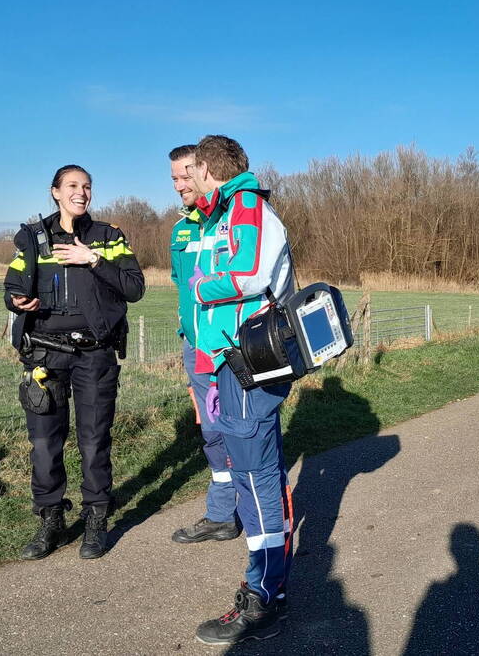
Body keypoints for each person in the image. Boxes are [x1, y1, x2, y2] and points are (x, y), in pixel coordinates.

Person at [3, 164, 145, 560]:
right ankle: (50, 521)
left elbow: (135, 288)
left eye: (86, 186)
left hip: (95, 354)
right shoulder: (33, 238)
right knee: (45, 444)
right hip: (45, 354)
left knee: (94, 439)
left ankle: (96, 520)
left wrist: (93, 260)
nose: (80, 192)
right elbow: (13, 285)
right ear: (55, 192)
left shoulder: (108, 237)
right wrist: (16, 300)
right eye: (72, 186)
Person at [186, 135, 295, 645]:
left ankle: (265, 595)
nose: (188, 180)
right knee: (258, 472)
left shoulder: (245, 205)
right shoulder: (232, 208)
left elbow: (248, 274)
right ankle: (268, 585)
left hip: (251, 361)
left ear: (208, 167)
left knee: (255, 478)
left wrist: (200, 286)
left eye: (192, 170)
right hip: (235, 361)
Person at [167, 144, 241, 545]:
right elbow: (183, 286)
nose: (181, 185)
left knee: (243, 428)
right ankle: (221, 513)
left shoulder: (232, 216)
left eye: (186, 175)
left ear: (204, 170)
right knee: (211, 431)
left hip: (231, 348)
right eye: (174, 178)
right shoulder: (180, 229)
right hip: (196, 348)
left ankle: (255, 509)